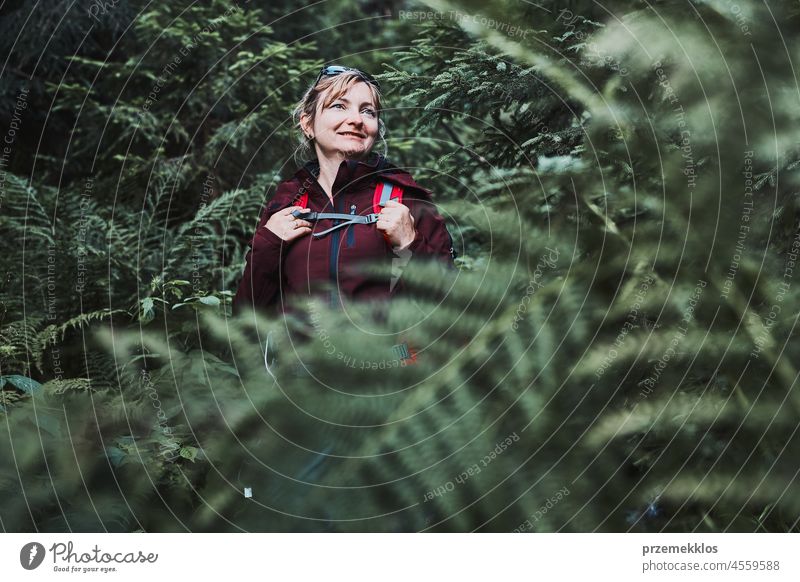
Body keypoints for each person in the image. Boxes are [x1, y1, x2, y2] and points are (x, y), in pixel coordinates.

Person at [233, 65, 456, 316]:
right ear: (307, 124)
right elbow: (247, 318)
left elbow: (451, 310)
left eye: (367, 111)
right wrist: (269, 243)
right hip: (298, 356)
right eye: (339, 106)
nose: (357, 120)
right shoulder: (287, 203)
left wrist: (411, 242)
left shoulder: (406, 200)